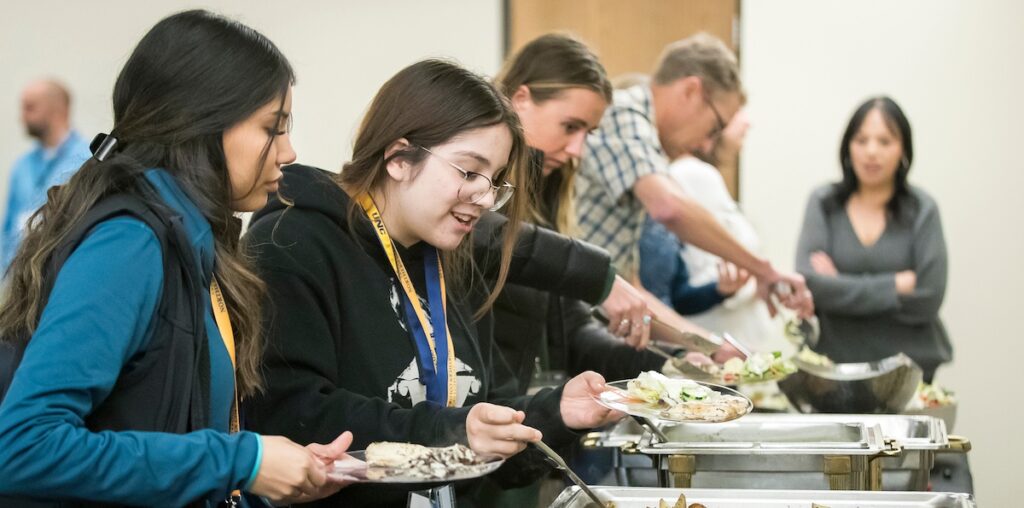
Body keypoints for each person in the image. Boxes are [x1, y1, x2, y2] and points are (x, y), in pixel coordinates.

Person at [0, 10, 352, 506]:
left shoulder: (192, 237)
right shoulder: (130, 243)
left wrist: (265, 480)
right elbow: (21, 448)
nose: (289, 151)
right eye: (273, 128)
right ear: (202, 125)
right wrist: (240, 460)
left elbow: (162, 440)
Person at [243, 59, 621, 507]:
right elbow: (292, 416)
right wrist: (450, 431)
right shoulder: (293, 243)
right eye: (468, 171)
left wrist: (557, 412)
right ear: (399, 158)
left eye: (495, 180)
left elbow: (479, 420)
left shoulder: (446, 259)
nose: (484, 197)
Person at [577, 33, 813, 318]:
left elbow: (634, 288)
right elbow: (669, 208)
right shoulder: (624, 113)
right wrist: (763, 269)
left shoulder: (648, 147)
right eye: (714, 128)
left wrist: (707, 347)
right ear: (690, 90)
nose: (706, 145)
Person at [490, 33, 669, 396]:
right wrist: (600, 278)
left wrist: (668, 365)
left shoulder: (549, 192)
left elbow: (573, 331)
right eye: (570, 127)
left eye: (587, 133)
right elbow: (493, 236)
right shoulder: (476, 206)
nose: (577, 149)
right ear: (520, 100)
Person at [795, 97, 950, 383]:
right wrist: (895, 285)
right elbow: (809, 284)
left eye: (884, 141)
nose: (871, 152)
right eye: (861, 140)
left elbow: (929, 297)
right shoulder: (824, 203)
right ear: (847, 147)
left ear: (903, 149)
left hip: (910, 371)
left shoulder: (923, 209)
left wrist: (839, 285)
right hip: (831, 369)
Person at [641, 109, 795, 355]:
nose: (747, 121)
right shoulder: (691, 174)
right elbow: (668, 295)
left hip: (718, 343)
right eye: (733, 112)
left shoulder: (703, 177)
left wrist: (725, 289)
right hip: (707, 343)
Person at [2, 79, 91, 270]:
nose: (22, 117)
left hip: (59, 274)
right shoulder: (22, 166)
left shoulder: (87, 161)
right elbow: (8, 230)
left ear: (56, 110)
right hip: (19, 281)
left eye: (30, 108)